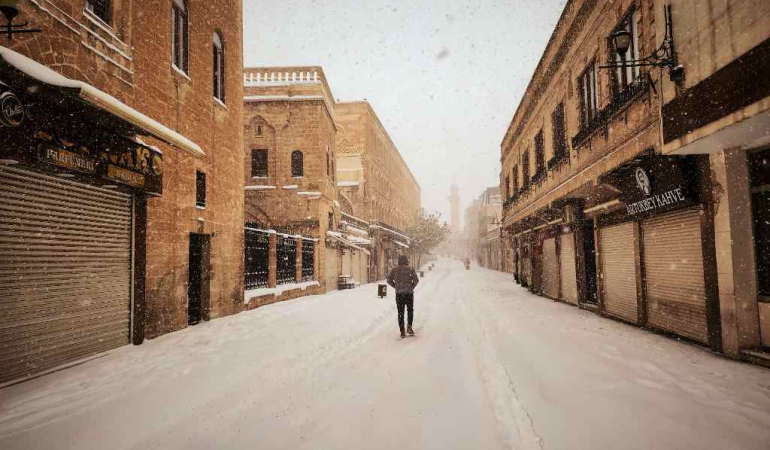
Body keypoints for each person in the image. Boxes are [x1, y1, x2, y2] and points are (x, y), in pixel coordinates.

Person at [386, 255, 419, 338]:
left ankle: (402, 331)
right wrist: (411, 287)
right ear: (406, 261)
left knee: (400, 312)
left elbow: (389, 280)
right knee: (410, 310)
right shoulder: (410, 269)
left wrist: (396, 286)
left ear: (399, 261)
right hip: (409, 294)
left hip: (399, 294)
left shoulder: (394, 270)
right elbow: (416, 280)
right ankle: (409, 327)